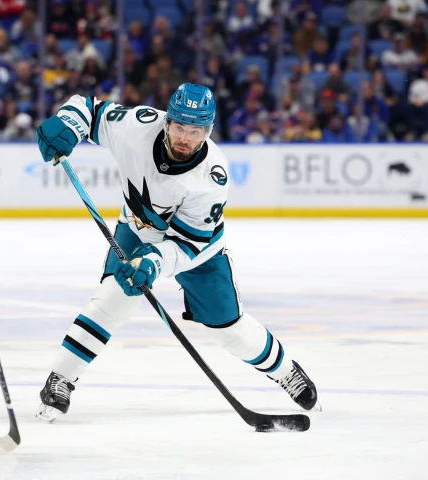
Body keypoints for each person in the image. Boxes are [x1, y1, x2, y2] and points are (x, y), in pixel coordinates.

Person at [34, 83, 320, 422]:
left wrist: (153, 261)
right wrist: (67, 123)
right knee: (112, 298)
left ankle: (286, 371)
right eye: (180, 127)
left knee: (230, 329)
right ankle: (61, 378)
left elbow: (187, 245)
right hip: (137, 229)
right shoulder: (137, 126)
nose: (185, 138)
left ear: (208, 132)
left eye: (195, 131)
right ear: (167, 121)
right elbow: (91, 110)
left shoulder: (211, 178)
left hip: (197, 250)